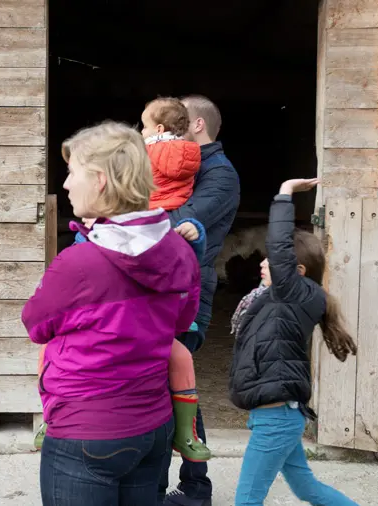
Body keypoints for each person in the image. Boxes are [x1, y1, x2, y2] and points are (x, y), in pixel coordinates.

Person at [22, 121, 202, 505]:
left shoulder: (80, 262)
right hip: (152, 427)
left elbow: (36, 325)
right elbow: (180, 324)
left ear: (100, 180)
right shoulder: (180, 250)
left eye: (72, 173)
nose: (66, 184)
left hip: (86, 432)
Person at [229, 178, 359, 506]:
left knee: (246, 500)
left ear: (296, 270)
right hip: (277, 415)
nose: (262, 262)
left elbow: (280, 249)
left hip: (277, 417)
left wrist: (285, 193)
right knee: (307, 489)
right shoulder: (278, 299)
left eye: (271, 260)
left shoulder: (296, 295)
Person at [160, 94, 241, 506]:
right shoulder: (173, 166)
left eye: (176, 123)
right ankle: (162, 485)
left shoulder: (220, 175)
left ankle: (195, 488)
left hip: (190, 288)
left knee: (176, 382)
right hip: (160, 286)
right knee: (164, 383)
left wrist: (126, 215)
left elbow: (178, 222)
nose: (164, 132)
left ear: (197, 126)